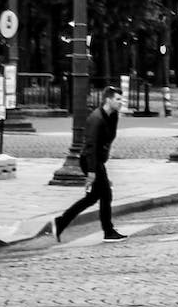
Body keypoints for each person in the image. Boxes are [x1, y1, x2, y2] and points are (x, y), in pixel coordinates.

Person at [53, 85, 125, 241]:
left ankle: (62, 221)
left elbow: (107, 140)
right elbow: (90, 146)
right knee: (106, 195)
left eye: (121, 99)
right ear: (108, 100)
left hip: (97, 160)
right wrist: (92, 172)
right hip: (89, 161)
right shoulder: (96, 119)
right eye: (118, 99)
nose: (121, 102)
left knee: (93, 198)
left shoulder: (112, 116)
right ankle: (108, 231)